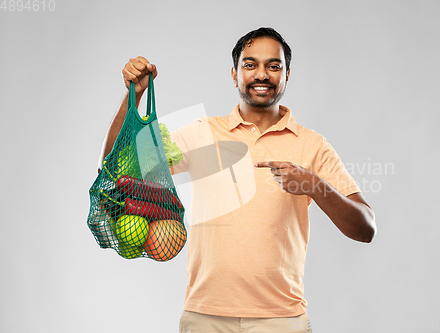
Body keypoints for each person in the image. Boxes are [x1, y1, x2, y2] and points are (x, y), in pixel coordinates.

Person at [98, 27, 376, 333]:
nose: (262, 74)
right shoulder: (202, 133)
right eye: (250, 64)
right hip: (205, 318)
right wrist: (132, 96)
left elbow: (365, 228)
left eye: (274, 66)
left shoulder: (312, 145)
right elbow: (113, 170)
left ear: (287, 75)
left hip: (282, 321)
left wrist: (314, 185)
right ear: (234, 74)